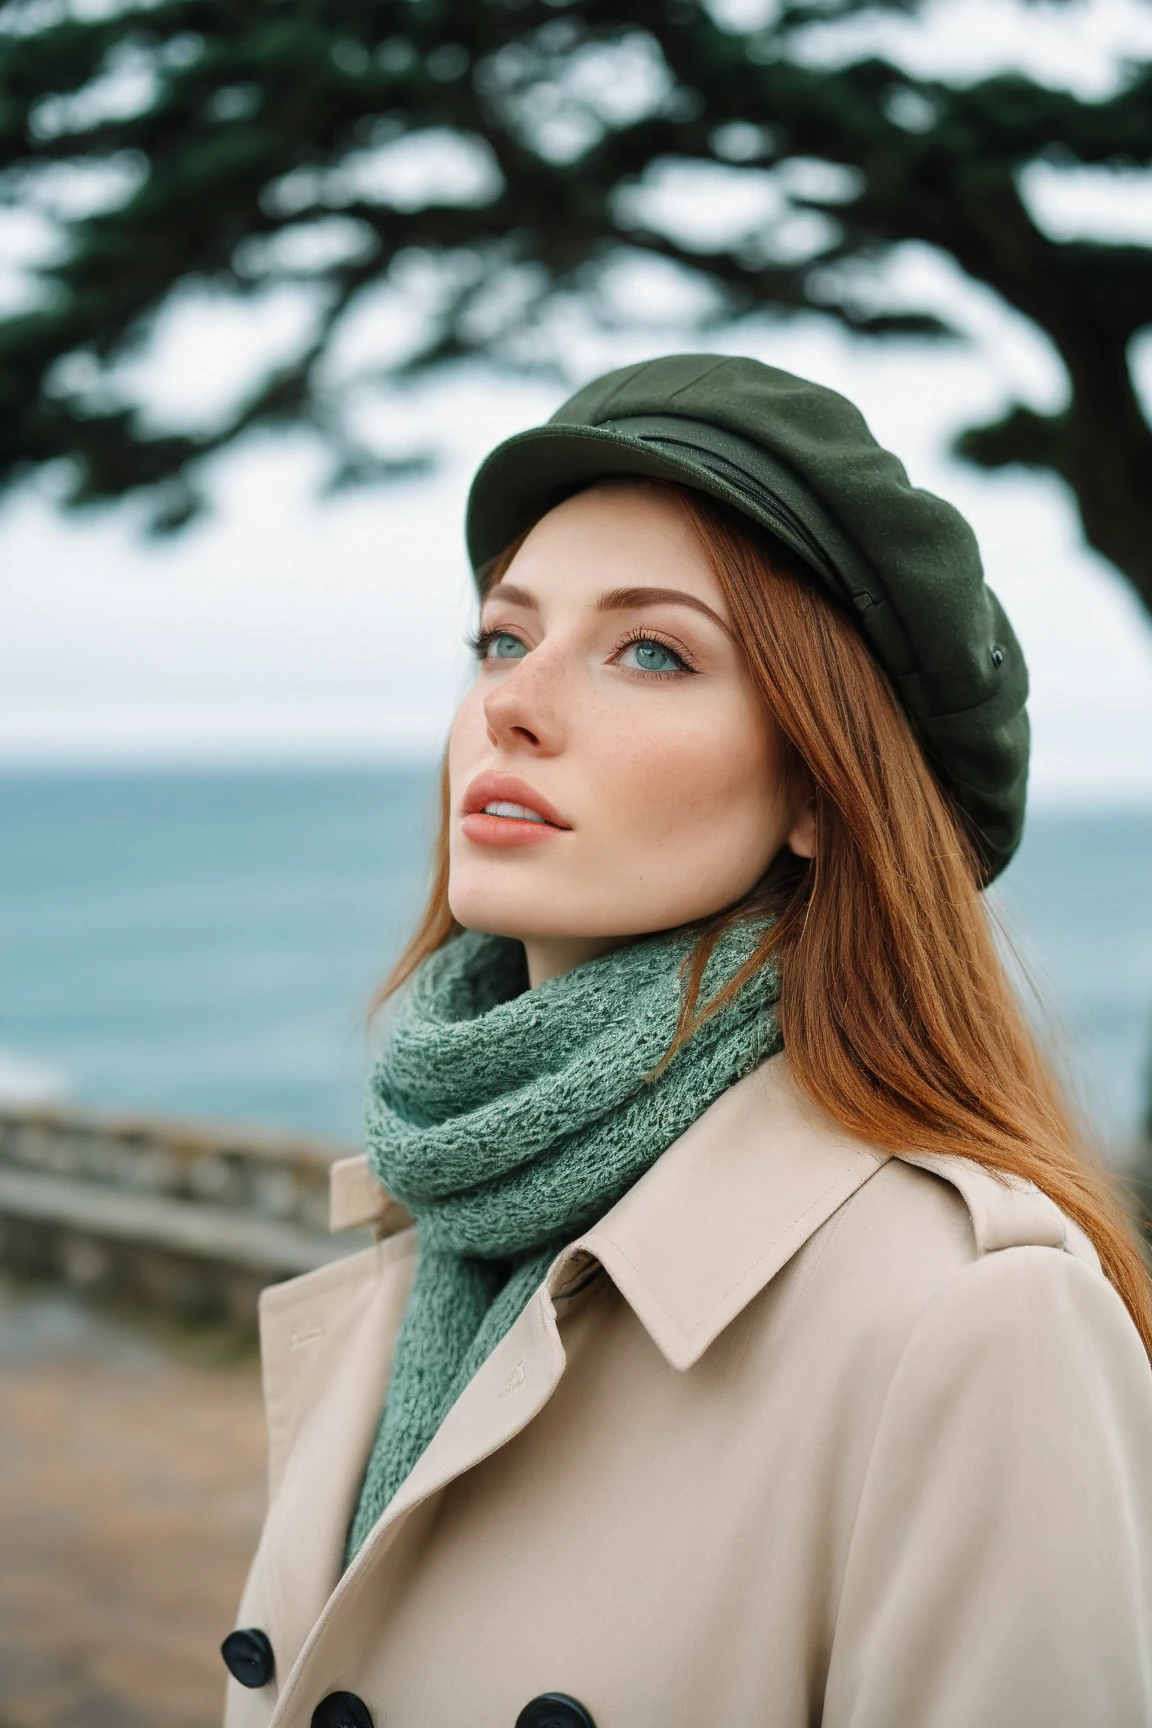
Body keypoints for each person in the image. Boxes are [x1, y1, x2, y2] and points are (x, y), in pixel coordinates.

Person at [222, 355, 1152, 1728]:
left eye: (650, 651)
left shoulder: (974, 1320)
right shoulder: (442, 1221)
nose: (511, 706)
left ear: (823, 791)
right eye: (502, 638)